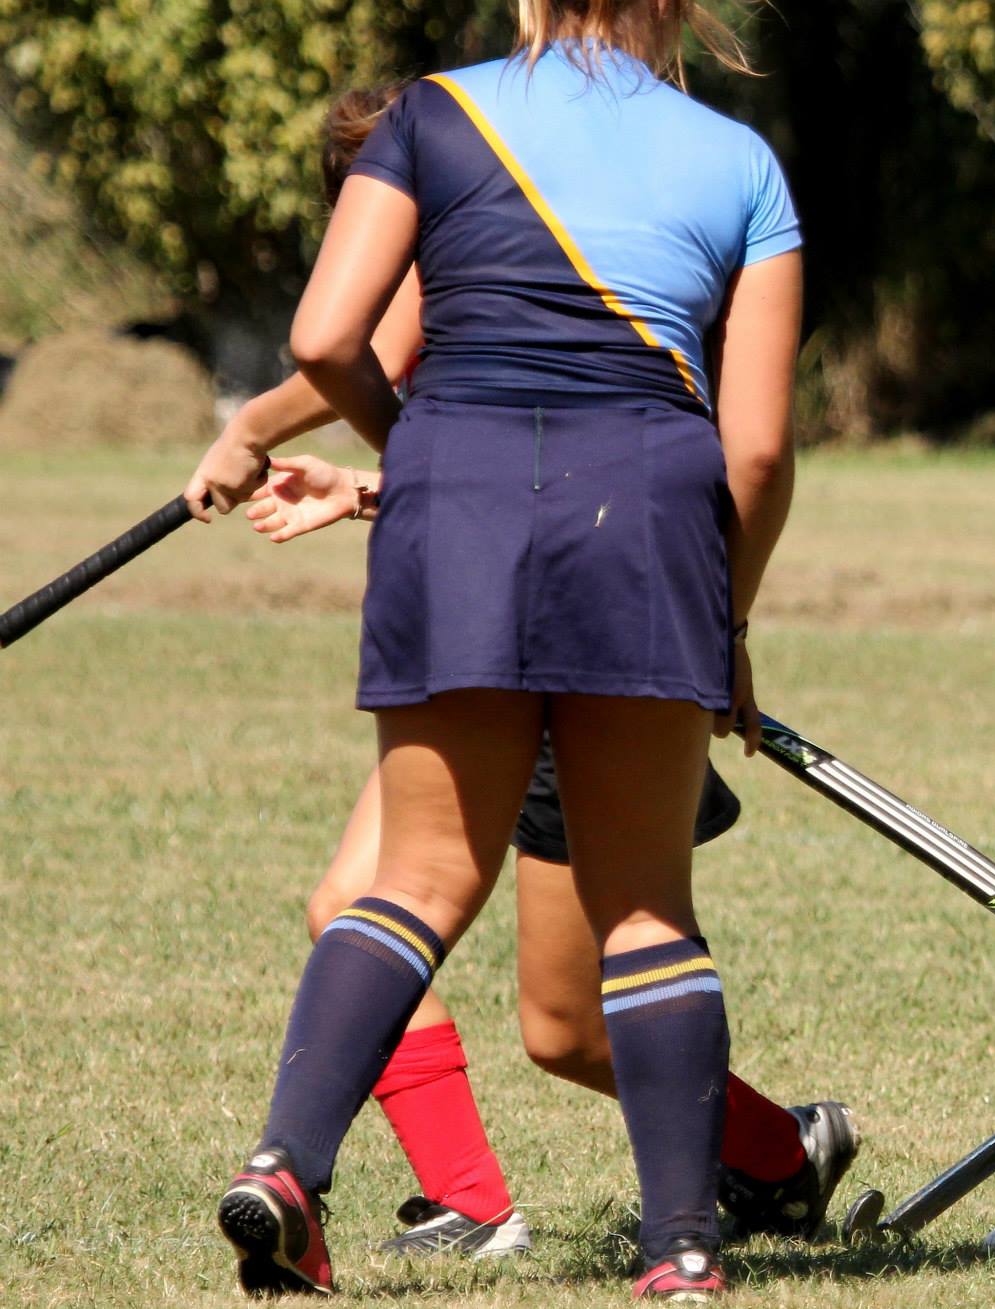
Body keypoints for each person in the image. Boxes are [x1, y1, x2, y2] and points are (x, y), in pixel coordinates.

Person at [185, 84, 856, 1263]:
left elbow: (370, 360)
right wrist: (376, 485)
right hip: (557, 581)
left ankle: (774, 1156)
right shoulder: (614, 182)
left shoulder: (455, 191)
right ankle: (486, 1200)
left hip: (588, 622)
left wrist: (256, 429)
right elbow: (527, 429)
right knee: (383, 905)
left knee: (569, 1021)